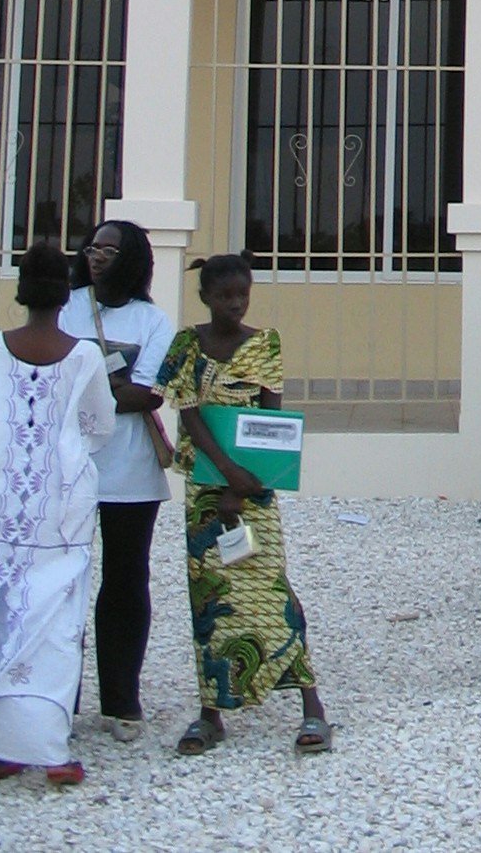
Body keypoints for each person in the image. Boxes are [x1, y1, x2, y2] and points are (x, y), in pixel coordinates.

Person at [158, 251, 330, 755]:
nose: (235, 304)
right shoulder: (187, 345)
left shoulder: (265, 345)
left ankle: (312, 706)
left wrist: (242, 483)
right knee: (211, 599)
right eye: (225, 296)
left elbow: (271, 421)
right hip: (206, 491)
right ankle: (211, 712)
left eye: (243, 295)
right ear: (206, 296)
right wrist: (223, 475)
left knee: (271, 590)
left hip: (253, 489)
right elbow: (188, 416)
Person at [0, 241, 115, 787]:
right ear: (66, 296)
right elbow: (99, 426)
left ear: (20, 293)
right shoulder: (83, 354)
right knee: (54, 626)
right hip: (59, 512)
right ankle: (47, 749)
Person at [60, 219, 174, 741]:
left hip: (130, 472)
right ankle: (59, 697)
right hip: (67, 469)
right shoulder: (67, 307)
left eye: (109, 248)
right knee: (62, 584)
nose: (96, 255)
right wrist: (111, 389)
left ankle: (121, 700)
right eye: (92, 246)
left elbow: (146, 395)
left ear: (132, 257)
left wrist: (87, 389)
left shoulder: (154, 321)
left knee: (126, 581)